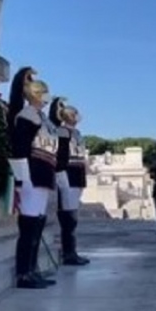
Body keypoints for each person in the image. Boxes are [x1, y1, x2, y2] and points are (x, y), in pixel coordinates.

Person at [7, 67, 58, 289]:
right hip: (31, 175)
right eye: (43, 92)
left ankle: (33, 268)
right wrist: (22, 178)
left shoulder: (42, 118)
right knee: (28, 226)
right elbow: (20, 148)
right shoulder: (26, 116)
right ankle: (23, 273)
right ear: (35, 95)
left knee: (38, 223)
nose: (47, 97)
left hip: (44, 174)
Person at [49, 97, 90, 266]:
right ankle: (68, 253)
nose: (77, 117)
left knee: (73, 216)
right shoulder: (62, 132)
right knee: (68, 218)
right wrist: (61, 176)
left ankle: (72, 251)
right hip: (68, 174)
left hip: (78, 174)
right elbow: (61, 156)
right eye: (74, 114)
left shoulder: (77, 133)